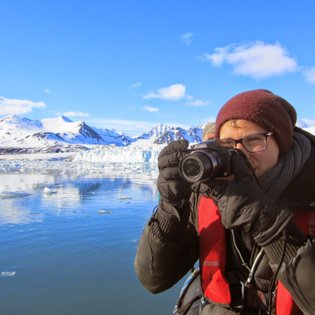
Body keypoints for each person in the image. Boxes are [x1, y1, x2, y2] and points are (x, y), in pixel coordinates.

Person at [134, 89, 315, 314]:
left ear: (283, 143)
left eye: (254, 140)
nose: (239, 153)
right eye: (228, 144)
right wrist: (171, 209)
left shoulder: (309, 194)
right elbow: (154, 280)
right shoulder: (209, 194)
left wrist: (265, 222)